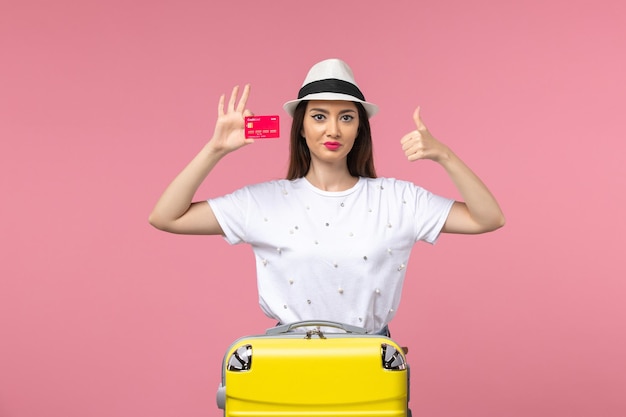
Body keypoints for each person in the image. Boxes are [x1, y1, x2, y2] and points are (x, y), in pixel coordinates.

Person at [149, 58, 505, 335]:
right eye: (319, 116)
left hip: (370, 365)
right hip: (288, 364)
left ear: (358, 130)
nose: (332, 129)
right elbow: (167, 217)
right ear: (302, 127)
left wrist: (445, 155)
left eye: (346, 118)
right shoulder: (264, 202)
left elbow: (488, 218)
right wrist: (214, 149)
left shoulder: (398, 199)